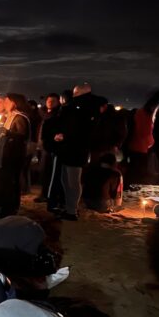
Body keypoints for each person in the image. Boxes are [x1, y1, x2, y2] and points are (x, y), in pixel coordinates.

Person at [54, 84, 103, 221]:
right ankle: (69, 207)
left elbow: (81, 130)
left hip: (76, 150)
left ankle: (72, 211)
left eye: (76, 93)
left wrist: (65, 136)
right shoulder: (82, 107)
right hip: (70, 148)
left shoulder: (86, 108)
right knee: (66, 180)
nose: (73, 95)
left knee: (73, 181)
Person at [0, 93, 30, 218]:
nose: (4, 103)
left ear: (14, 103)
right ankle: (1, 207)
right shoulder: (7, 117)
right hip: (3, 155)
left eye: (7, 101)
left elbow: (22, 136)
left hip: (13, 157)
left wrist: (7, 132)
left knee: (11, 184)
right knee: (3, 183)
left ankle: (9, 210)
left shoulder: (20, 118)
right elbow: (3, 134)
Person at [35, 93, 62, 203]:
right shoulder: (43, 114)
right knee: (43, 171)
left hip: (50, 148)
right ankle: (45, 193)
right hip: (41, 146)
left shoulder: (57, 115)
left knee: (48, 172)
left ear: (58, 102)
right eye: (48, 101)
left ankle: (47, 194)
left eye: (53, 101)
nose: (50, 103)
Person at [125, 104, 155, 186]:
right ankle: (136, 184)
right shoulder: (147, 117)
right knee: (140, 168)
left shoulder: (136, 116)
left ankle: (130, 184)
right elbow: (147, 133)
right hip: (143, 147)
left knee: (133, 167)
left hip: (134, 146)